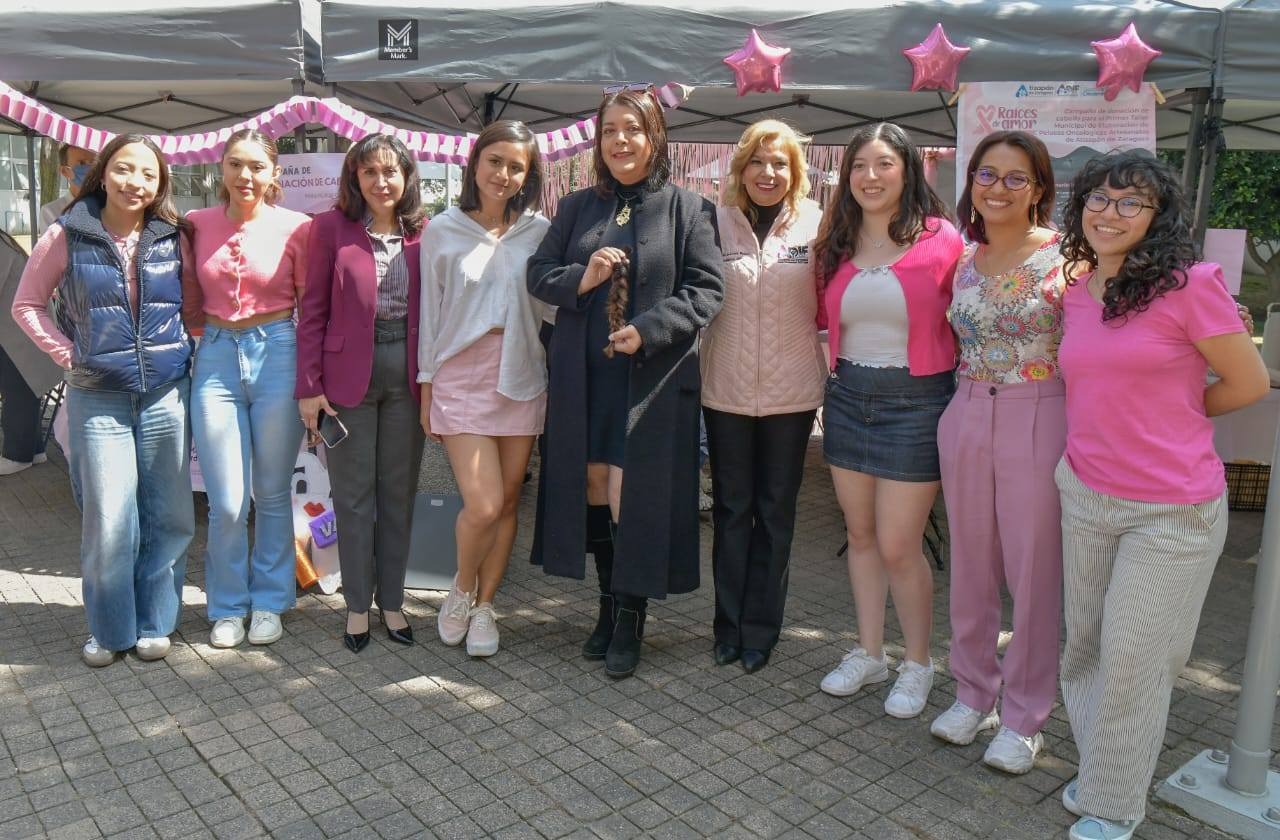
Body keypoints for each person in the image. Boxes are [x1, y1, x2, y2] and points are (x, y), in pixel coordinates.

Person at [1054, 151, 1267, 840]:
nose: (1109, 212)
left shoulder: (1191, 285)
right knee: (1083, 649)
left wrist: (1179, 414)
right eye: (1099, 198)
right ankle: (1105, 769)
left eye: (1130, 202)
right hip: (1085, 492)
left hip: (1170, 508)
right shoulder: (1078, 289)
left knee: (1134, 660)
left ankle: (1114, 805)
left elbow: (1249, 383)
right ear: (1081, 205)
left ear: (1158, 216)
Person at [528, 87, 724, 679]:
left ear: (655, 136)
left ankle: (631, 617)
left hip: (650, 381)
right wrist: (583, 278)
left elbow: (707, 289)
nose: (620, 140)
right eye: (610, 130)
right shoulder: (575, 207)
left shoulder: (689, 210)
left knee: (629, 494)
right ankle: (607, 606)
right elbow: (539, 273)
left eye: (632, 129)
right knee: (592, 488)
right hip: (584, 379)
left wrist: (649, 329)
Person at [12, 133, 194, 666]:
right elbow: (27, 304)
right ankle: (110, 629)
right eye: (124, 170)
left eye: (148, 174)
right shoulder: (67, 233)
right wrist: (68, 355)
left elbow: (193, 305)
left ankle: (156, 622)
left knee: (170, 515)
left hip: (165, 394)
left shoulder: (172, 235)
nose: (135, 182)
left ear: (160, 184)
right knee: (110, 517)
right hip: (98, 398)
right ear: (101, 173)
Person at [813, 122, 962, 718]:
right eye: (858, 167)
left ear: (908, 170)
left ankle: (919, 663)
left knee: (901, 544)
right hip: (848, 396)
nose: (869, 177)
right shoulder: (837, 244)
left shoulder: (942, 240)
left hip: (918, 402)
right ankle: (871, 652)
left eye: (883, 165)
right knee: (861, 536)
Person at [927, 131, 1064, 771]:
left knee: (1033, 570)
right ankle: (973, 690)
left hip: (1039, 414)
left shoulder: (1070, 261)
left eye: (1016, 177)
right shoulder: (963, 261)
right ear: (972, 183)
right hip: (966, 410)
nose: (999, 188)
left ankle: (1026, 713)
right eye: (987, 175)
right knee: (972, 563)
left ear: (1038, 189)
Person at [418, 120, 550, 657]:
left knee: (510, 499)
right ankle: (462, 587)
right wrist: (427, 387)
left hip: (521, 369)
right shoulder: (442, 229)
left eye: (516, 166)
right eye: (495, 161)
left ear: (527, 175)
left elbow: (551, 302)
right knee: (483, 503)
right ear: (475, 164)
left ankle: (486, 606)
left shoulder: (539, 231)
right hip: (461, 373)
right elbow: (430, 314)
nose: (504, 173)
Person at [700, 119, 825, 674]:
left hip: (793, 393)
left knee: (775, 514)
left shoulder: (817, 226)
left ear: (795, 172)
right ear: (741, 168)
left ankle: (762, 631)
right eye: (757, 162)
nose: (767, 173)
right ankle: (727, 627)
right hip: (724, 388)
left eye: (779, 164)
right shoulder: (713, 223)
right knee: (731, 511)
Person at [295, 133, 426, 653]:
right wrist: (309, 388)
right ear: (354, 178)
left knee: (399, 494)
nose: (381, 181)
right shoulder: (329, 229)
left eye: (391, 171)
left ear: (407, 177)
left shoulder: (425, 233)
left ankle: (391, 601)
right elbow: (313, 314)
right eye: (369, 172)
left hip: (407, 374)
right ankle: (355, 606)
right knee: (353, 497)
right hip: (347, 378)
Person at [183, 129, 310, 648]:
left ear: (274, 173)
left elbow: (311, 306)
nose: (246, 176)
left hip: (278, 348)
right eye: (236, 165)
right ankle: (228, 607)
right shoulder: (195, 224)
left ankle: (271, 602)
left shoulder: (298, 227)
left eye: (257, 166)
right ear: (222, 170)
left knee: (273, 493)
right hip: (214, 355)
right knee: (227, 500)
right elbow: (189, 296)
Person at [39, 143, 96, 234]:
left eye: (94, 162)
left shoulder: (109, 206)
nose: (90, 168)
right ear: (65, 171)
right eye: (82, 163)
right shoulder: (51, 211)